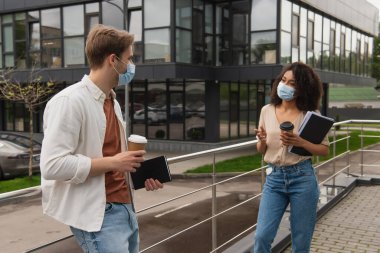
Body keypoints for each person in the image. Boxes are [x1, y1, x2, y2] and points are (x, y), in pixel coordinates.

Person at [40, 24, 163, 253]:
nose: (131, 65)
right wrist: (115, 162)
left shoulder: (112, 101)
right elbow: (51, 165)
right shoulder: (69, 102)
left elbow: (111, 158)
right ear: (113, 60)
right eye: (129, 58)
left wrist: (139, 175)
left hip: (126, 208)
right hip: (99, 216)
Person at [253, 62, 329, 253]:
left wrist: (300, 141)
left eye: (292, 83)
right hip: (274, 179)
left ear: (302, 88)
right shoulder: (266, 110)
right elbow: (261, 149)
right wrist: (261, 140)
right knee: (262, 236)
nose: (284, 85)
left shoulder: (310, 115)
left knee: (301, 240)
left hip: (302, 178)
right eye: (283, 80)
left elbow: (324, 150)